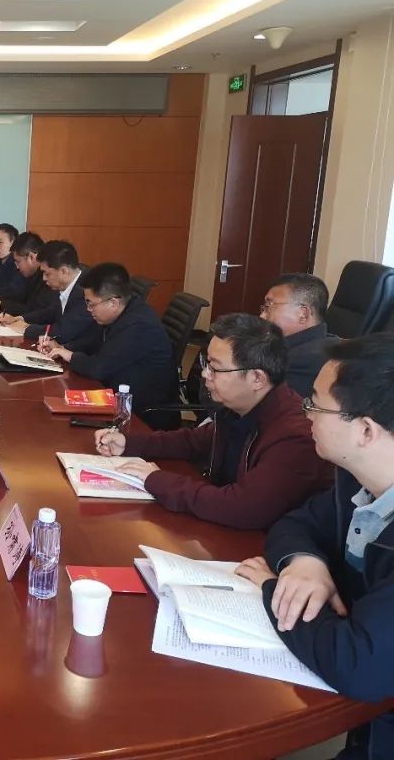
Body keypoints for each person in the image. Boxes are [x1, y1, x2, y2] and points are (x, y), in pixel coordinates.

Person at [236, 334, 394, 760]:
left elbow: (357, 665)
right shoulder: (356, 481)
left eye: (316, 405)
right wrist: (305, 564)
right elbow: (294, 523)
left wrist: (273, 588)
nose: (305, 412)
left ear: (365, 430)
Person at [94, 313, 332, 529]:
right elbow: (193, 441)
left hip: (260, 546)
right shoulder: (240, 407)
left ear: (257, 378)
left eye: (215, 369)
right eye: (206, 363)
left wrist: (155, 479)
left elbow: (243, 508)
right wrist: (128, 443)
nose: (205, 375)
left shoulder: (293, 436)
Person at [43, 263, 180, 431]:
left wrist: (70, 356)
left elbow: (99, 368)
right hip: (117, 400)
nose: (88, 309)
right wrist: (62, 348)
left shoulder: (139, 325)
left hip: (142, 417)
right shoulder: (122, 313)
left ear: (113, 303)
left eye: (91, 304)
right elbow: (93, 342)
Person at [259, 272, 336, 399]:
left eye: (269, 307)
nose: (262, 316)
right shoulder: (328, 341)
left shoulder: (298, 361)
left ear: (303, 314)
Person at [0, 231, 52, 317]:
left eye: (18, 261)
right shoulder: (31, 275)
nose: (17, 267)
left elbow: (36, 312)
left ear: (31, 257)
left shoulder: (48, 279)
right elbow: (20, 299)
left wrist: (1, 305)